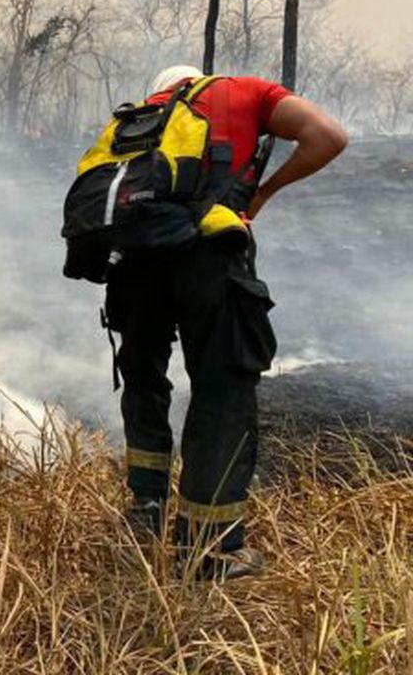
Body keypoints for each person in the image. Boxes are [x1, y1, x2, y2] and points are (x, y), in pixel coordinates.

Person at [107, 64, 346, 579]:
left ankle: (145, 510)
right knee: (221, 390)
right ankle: (211, 550)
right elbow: (328, 137)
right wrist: (264, 192)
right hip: (206, 257)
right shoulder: (242, 92)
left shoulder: (141, 116)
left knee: (144, 380)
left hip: (134, 264)